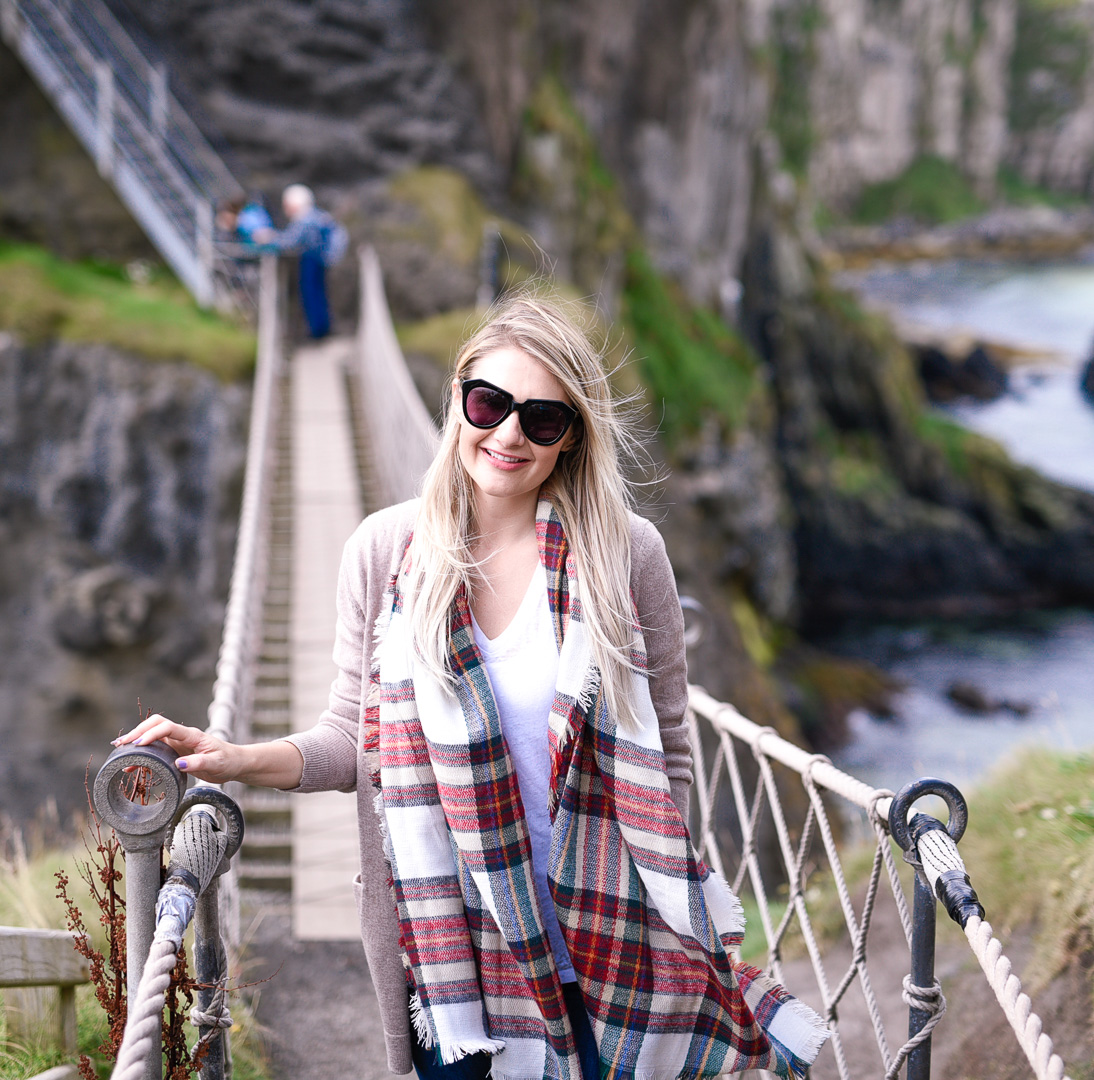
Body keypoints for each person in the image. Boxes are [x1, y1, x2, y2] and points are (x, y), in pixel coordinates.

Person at [115, 295, 828, 1080]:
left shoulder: (626, 553)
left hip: (612, 942)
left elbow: (671, 750)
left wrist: (652, 898)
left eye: (544, 419)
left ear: (572, 438)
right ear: (456, 399)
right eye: (489, 402)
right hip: (456, 958)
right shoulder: (385, 551)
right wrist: (235, 758)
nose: (510, 433)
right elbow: (354, 739)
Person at [252, 183, 346, 339]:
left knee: (311, 294)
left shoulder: (305, 219)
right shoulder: (316, 216)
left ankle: (318, 331)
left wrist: (269, 239)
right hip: (319, 259)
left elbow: (291, 242)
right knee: (319, 294)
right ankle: (322, 329)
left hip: (311, 259)